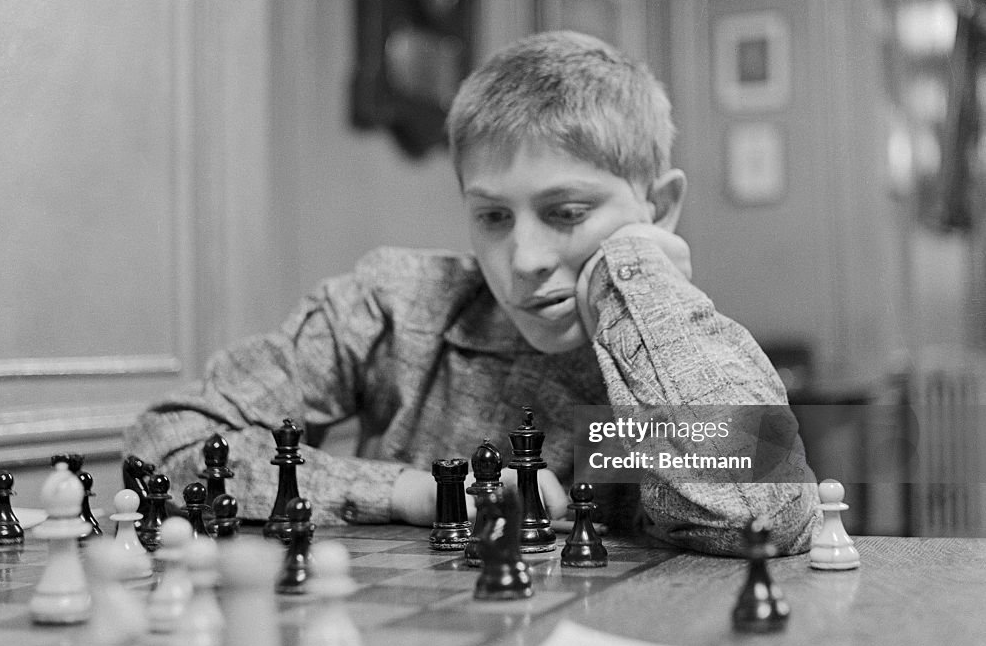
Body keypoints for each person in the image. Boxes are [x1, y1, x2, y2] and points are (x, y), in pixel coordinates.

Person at [126, 31, 819, 556]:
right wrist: (416, 492)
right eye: (492, 216)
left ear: (660, 207)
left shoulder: (680, 352)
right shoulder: (395, 304)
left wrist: (634, 268)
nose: (522, 259)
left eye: (567, 213)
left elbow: (766, 509)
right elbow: (167, 442)